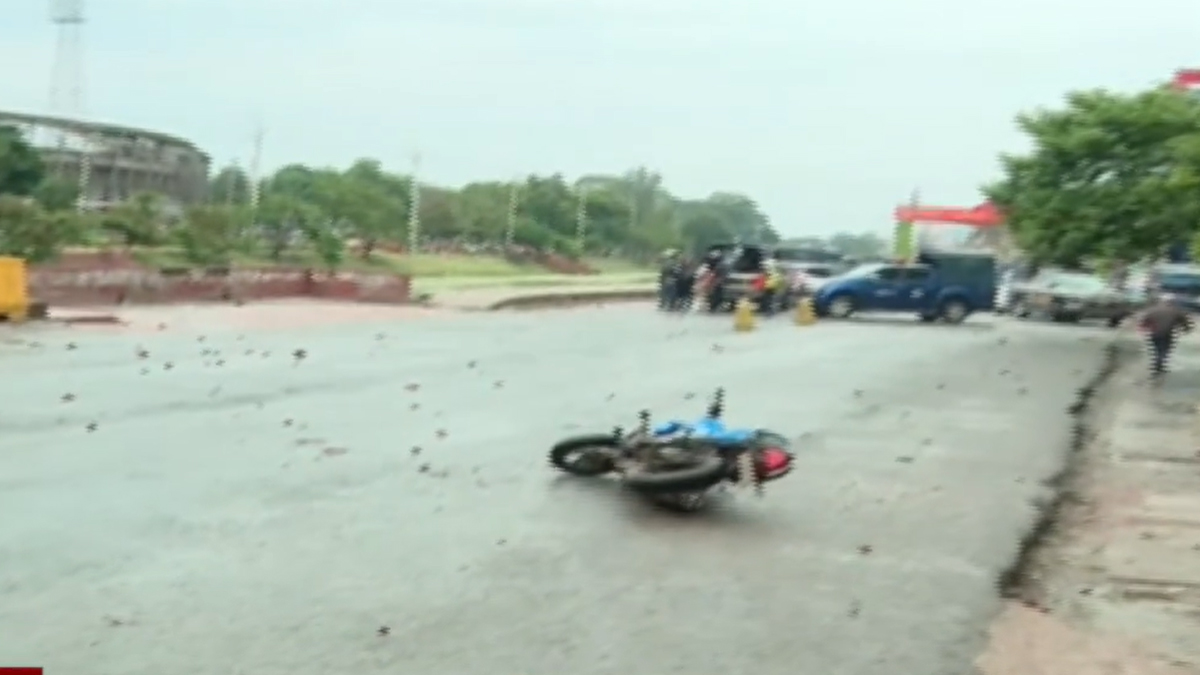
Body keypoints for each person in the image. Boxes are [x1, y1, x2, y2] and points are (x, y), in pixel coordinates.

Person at [1138, 293, 1193, 378]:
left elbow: (1144, 321)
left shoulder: (1152, 310)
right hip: (1167, 333)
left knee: (1157, 349)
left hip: (1154, 333)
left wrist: (1144, 329)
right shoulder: (1175, 310)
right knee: (1165, 349)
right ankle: (1159, 363)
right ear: (1171, 301)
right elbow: (1184, 321)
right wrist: (1187, 329)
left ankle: (1158, 365)